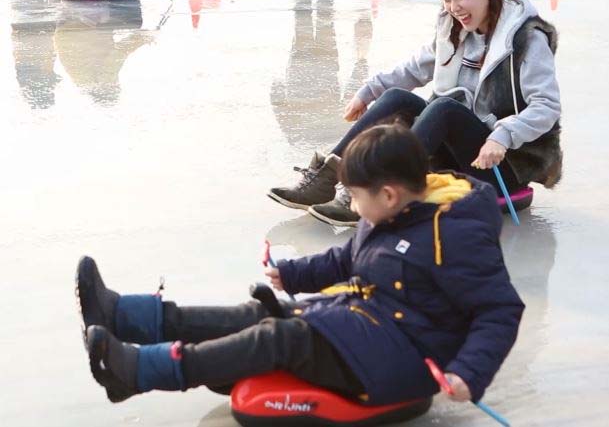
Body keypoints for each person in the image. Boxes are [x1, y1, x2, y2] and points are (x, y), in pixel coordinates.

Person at [78, 123, 524, 407]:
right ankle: (124, 316)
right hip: (363, 326)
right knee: (257, 313)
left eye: (357, 198)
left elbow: (499, 309)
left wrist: (468, 371)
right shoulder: (393, 213)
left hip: (400, 360)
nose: (354, 208)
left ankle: (139, 372)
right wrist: (295, 274)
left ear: (388, 195)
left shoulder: (455, 234)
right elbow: (351, 259)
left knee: (280, 336)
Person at [269, 0, 562, 227]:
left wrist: (504, 136)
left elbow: (547, 107)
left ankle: (376, 191)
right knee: (397, 97)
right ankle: (330, 175)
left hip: (503, 163)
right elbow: (415, 67)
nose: (454, 7)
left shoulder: (526, 39)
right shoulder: (453, 27)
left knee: (445, 106)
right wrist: (369, 92)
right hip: (457, 150)